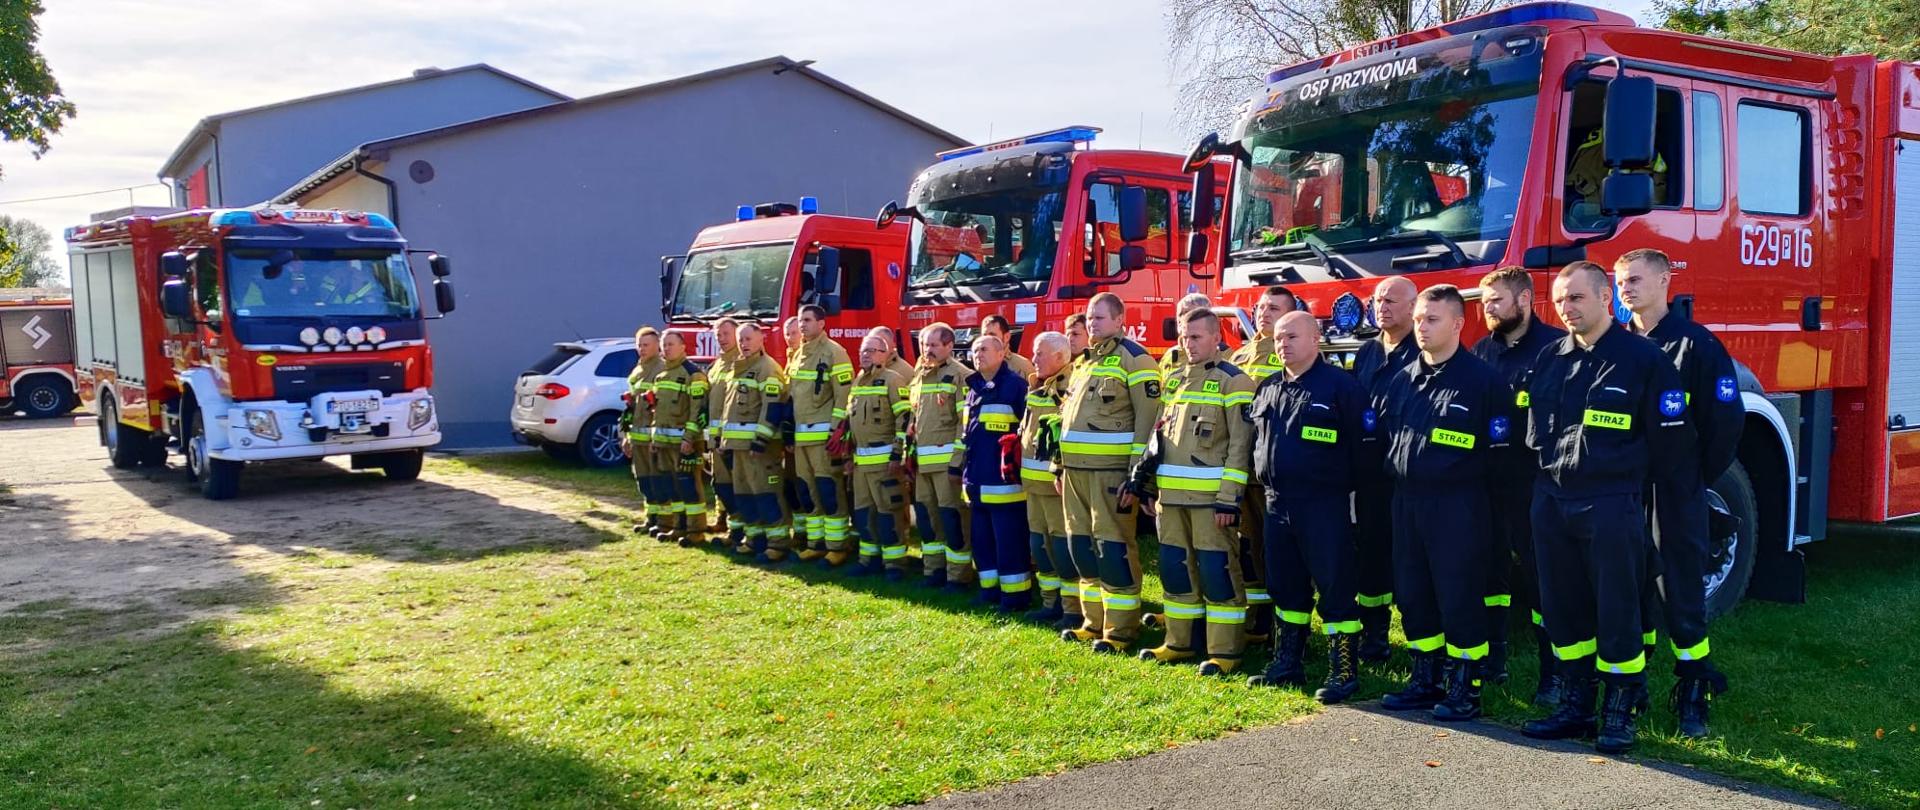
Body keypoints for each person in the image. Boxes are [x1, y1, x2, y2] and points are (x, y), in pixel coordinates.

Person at [1520, 261, 1693, 755]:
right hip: (1552, 499)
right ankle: (1575, 702)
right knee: (1562, 605)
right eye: (1559, 300)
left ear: (1603, 298)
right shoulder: (1550, 357)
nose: (1566, 308)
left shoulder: (1642, 360)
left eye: (1576, 298)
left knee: (1617, 608)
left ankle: (1620, 706)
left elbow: (1670, 444)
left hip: (1611, 501)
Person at [1616, 247, 1743, 738]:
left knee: (1681, 591)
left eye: (1635, 279)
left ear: (1665, 281)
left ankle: (1693, 689)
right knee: (1631, 590)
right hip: (1624, 492)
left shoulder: (1698, 346)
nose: (1626, 288)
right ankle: (1634, 685)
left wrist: (1689, 477)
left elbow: (1725, 424)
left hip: (1675, 493)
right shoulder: (1614, 346)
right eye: (1621, 281)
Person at [1376, 285, 1514, 721]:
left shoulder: (1482, 382)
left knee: (1458, 594)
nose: (1421, 328)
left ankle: (1465, 685)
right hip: (1407, 502)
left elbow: (1501, 455)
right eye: (1418, 319)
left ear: (1457, 324)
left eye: (1432, 320)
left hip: (1458, 505)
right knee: (1413, 593)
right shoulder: (1403, 378)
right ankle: (1425, 676)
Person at [1247, 311, 1372, 704]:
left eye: (1293, 337)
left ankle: (1344, 669)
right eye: (1280, 338)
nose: (1283, 344)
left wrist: (1344, 493)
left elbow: (1363, 449)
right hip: (1276, 503)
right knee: (1285, 586)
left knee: (1336, 586)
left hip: (1324, 505)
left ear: (1316, 340)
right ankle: (1287, 661)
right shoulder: (1267, 387)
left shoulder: (1341, 388)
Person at [1129, 308, 1255, 676]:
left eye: (1196, 337)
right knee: (1175, 570)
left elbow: (1239, 447)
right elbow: (1160, 438)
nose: (1188, 343)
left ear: (1217, 337)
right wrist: (1150, 487)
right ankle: (1179, 641)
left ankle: (1225, 652)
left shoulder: (1236, 382)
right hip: (1170, 499)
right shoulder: (1175, 379)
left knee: (1218, 572)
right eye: (1184, 337)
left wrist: (1229, 499)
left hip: (1210, 502)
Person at [1471, 267, 1567, 702]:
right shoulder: (1478, 353)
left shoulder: (1554, 350)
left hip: (1536, 485)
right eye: (1484, 301)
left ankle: (1554, 673)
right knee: (1490, 573)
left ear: (1525, 300)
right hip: (1488, 485)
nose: (1487, 309)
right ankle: (1494, 660)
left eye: (1496, 301)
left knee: (1541, 578)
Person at [1056, 292, 1162, 654]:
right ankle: (1093, 622)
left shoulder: (1136, 360)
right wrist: (1059, 464)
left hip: (1111, 476)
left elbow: (1147, 424)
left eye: (1099, 318)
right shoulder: (1082, 363)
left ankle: (1120, 630)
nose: (1092, 324)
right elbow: (1066, 418)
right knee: (1083, 548)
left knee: (1113, 547)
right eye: (1088, 318)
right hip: (1074, 474)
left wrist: (1136, 478)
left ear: (1120, 320)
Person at [1351, 276, 1420, 662]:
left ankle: (1420, 640)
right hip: (1371, 474)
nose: (1382, 307)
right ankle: (1374, 637)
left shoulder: (1422, 351)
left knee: (1410, 558)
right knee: (1371, 556)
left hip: (1408, 474)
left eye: (1391, 300)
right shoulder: (1367, 352)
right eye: (1378, 300)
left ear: (1413, 306)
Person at [1229, 285, 1298, 643]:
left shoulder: (1291, 355)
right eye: (1260, 307)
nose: (1263, 313)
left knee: (1276, 549)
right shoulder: (1239, 355)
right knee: (1247, 545)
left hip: (1273, 471)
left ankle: (1282, 624)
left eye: (1273, 307)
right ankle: (1257, 620)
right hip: (1241, 468)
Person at [962, 334, 1033, 611]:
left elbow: (1025, 433)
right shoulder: (973, 388)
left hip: (1005, 487)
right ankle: (989, 592)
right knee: (983, 543)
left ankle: (1015, 597)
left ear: (1002, 353)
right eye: (975, 350)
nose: (978, 354)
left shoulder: (1015, 387)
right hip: (977, 483)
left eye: (984, 349)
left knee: (1009, 543)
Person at [717, 323, 793, 561]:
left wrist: (760, 441)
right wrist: (724, 440)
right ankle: (755, 539)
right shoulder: (736, 369)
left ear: (762, 340)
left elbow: (772, 407)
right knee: (745, 495)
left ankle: (778, 544)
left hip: (759, 449)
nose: (744, 343)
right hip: (738, 448)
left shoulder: (768, 368)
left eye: (749, 339)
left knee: (766, 494)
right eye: (741, 339)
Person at [788, 305, 857, 565]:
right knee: (808, 491)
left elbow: (843, 395)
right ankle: (816, 544)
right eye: (799, 320)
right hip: (801, 438)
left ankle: (838, 546)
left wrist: (836, 430)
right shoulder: (797, 355)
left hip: (823, 438)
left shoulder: (835, 353)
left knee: (829, 490)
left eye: (807, 320)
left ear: (821, 323)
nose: (802, 325)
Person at [1018, 331, 1077, 627]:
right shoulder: (1037, 388)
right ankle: (1049, 603)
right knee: (1040, 547)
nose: (1033, 359)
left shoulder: (1069, 389)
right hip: (1033, 487)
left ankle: (1071, 609)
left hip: (1056, 489)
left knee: (1060, 548)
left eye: (1040, 354)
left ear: (1060, 357)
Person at [909, 323, 975, 588]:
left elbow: (965, 423)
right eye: (925, 344)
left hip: (947, 463)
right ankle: (933, 571)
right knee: (927, 519)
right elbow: (915, 419)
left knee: (953, 521)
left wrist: (957, 463)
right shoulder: (919, 375)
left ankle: (958, 576)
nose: (928, 350)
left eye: (935, 345)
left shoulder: (961, 376)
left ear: (949, 346)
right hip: (923, 464)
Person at [844, 332, 913, 580]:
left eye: (872, 350)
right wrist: (848, 455)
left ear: (886, 355)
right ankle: (868, 560)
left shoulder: (892, 381)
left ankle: (894, 564)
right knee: (864, 514)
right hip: (861, 463)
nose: (866, 354)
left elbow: (904, 419)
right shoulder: (857, 382)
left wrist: (898, 454)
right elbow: (850, 423)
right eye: (863, 350)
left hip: (885, 463)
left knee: (889, 514)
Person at [650, 332, 711, 546]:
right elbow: (657, 411)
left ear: (683, 346)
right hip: (664, 443)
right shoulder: (661, 375)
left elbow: (697, 410)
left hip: (686, 444)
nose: (666, 349)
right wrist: (656, 439)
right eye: (664, 345)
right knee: (672, 486)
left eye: (671, 344)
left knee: (689, 486)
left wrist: (689, 438)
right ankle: (678, 527)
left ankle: (696, 532)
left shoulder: (693, 374)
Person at [623, 327, 666, 536]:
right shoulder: (637, 371)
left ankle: (663, 521)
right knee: (644, 480)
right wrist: (626, 435)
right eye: (639, 344)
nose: (642, 349)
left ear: (657, 345)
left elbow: (661, 407)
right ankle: (650, 518)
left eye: (646, 344)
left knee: (657, 479)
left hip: (652, 438)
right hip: (637, 437)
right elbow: (630, 407)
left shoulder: (661, 369)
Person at [707, 317, 744, 547]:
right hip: (715, 437)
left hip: (732, 439)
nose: (721, 339)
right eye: (718, 335)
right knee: (720, 483)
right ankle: (727, 522)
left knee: (735, 485)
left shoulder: (740, 362)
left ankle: (738, 531)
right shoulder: (717, 364)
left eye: (726, 334)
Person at [1157, 293, 1215, 375]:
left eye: (1191, 314)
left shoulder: (1223, 354)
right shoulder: (1171, 355)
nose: (1184, 318)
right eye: (1181, 314)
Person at [981, 315, 1036, 379]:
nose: (987, 340)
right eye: (985, 336)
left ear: (1007, 337)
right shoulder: (977, 364)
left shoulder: (1023, 367)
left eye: (992, 335)